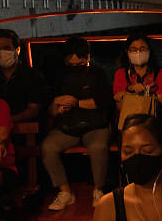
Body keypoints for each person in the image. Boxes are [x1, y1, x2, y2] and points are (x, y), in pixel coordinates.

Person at [41, 37, 113, 210]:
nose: (74, 64)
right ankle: (65, 191)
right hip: (68, 126)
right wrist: (57, 104)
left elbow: (103, 102)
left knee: (98, 147)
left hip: (95, 125)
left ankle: (99, 189)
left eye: (79, 61)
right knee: (48, 147)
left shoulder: (98, 74)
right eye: (70, 61)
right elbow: (50, 109)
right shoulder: (58, 75)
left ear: (87, 57)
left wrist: (75, 102)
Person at [0, 29, 46, 123]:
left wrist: (8, 121)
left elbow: (33, 109)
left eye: (6, 48)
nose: (1, 53)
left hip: (24, 127)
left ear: (17, 50)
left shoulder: (32, 75)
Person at [112, 33, 162, 107]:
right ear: (127, 52)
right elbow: (117, 98)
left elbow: (161, 100)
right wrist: (131, 89)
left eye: (142, 49)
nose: (138, 52)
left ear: (149, 50)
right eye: (134, 49)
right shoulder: (121, 73)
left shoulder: (160, 73)